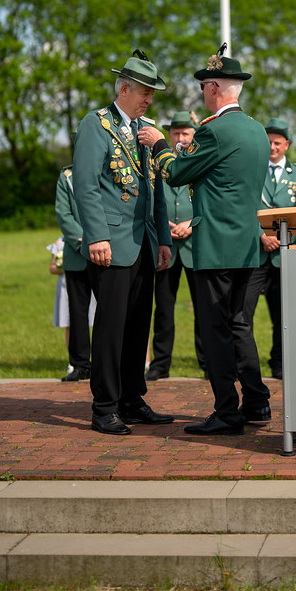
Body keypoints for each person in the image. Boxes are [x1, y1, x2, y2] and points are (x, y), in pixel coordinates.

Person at [139, 44, 271, 436]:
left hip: (215, 246)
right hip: (247, 244)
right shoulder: (257, 131)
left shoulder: (213, 129)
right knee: (241, 327)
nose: (201, 92)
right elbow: (225, 176)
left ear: (214, 88)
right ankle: (257, 401)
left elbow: (177, 174)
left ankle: (227, 411)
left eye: (203, 86)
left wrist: (161, 145)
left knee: (215, 330)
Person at [72, 50, 174, 435]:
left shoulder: (147, 128)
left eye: (152, 93)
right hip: (111, 242)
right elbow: (85, 185)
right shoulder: (95, 124)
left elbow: (155, 187)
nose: (149, 99)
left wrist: (163, 238)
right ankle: (105, 406)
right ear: (125, 88)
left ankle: (132, 398)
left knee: (136, 327)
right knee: (112, 327)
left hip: (144, 243)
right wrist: (97, 235)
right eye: (145, 91)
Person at [240, 117, 296, 379]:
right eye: (268, 142)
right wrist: (262, 235)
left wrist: (283, 237)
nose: (272, 147)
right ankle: (244, 365)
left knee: (283, 315)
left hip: (285, 252)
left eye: (277, 143)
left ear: (287, 145)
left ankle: (280, 363)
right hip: (255, 252)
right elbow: (245, 206)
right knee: (243, 312)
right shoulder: (251, 170)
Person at [145, 111, 206, 381]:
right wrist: (164, 225)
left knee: (204, 308)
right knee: (164, 308)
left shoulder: (201, 160)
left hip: (195, 244)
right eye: (177, 133)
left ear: (193, 135)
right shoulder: (156, 161)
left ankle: (207, 363)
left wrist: (191, 223)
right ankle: (160, 364)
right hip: (166, 242)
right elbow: (150, 198)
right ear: (169, 135)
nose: (181, 138)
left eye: (186, 133)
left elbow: (208, 200)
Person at [55, 161, 95, 382]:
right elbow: (63, 212)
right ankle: (80, 364)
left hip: (107, 249)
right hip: (77, 251)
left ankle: (106, 363)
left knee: (108, 311)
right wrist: (84, 240)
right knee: (78, 312)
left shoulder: (110, 167)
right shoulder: (67, 176)